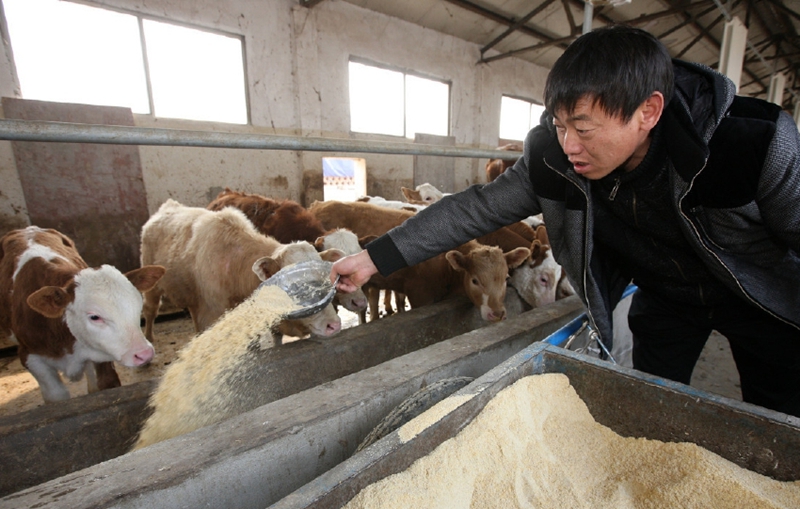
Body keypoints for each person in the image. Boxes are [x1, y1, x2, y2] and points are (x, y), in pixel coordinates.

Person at [331, 25, 800, 417]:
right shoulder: (555, 158)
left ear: (648, 112)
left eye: (583, 126)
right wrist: (375, 258)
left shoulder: (753, 145)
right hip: (668, 296)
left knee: (779, 413)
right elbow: (473, 208)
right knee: (648, 405)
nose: (569, 143)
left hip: (759, 296)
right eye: (558, 124)